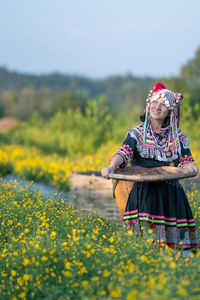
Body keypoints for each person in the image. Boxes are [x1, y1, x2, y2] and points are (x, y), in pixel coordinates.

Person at [101, 82, 199, 251]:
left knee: (174, 251)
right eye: (154, 103)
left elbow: (186, 160)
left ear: (170, 111)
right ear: (148, 105)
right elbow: (124, 152)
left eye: (163, 105)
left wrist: (192, 168)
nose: (157, 107)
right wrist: (111, 167)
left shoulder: (178, 137)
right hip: (144, 195)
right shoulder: (136, 134)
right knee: (141, 247)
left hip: (171, 196)